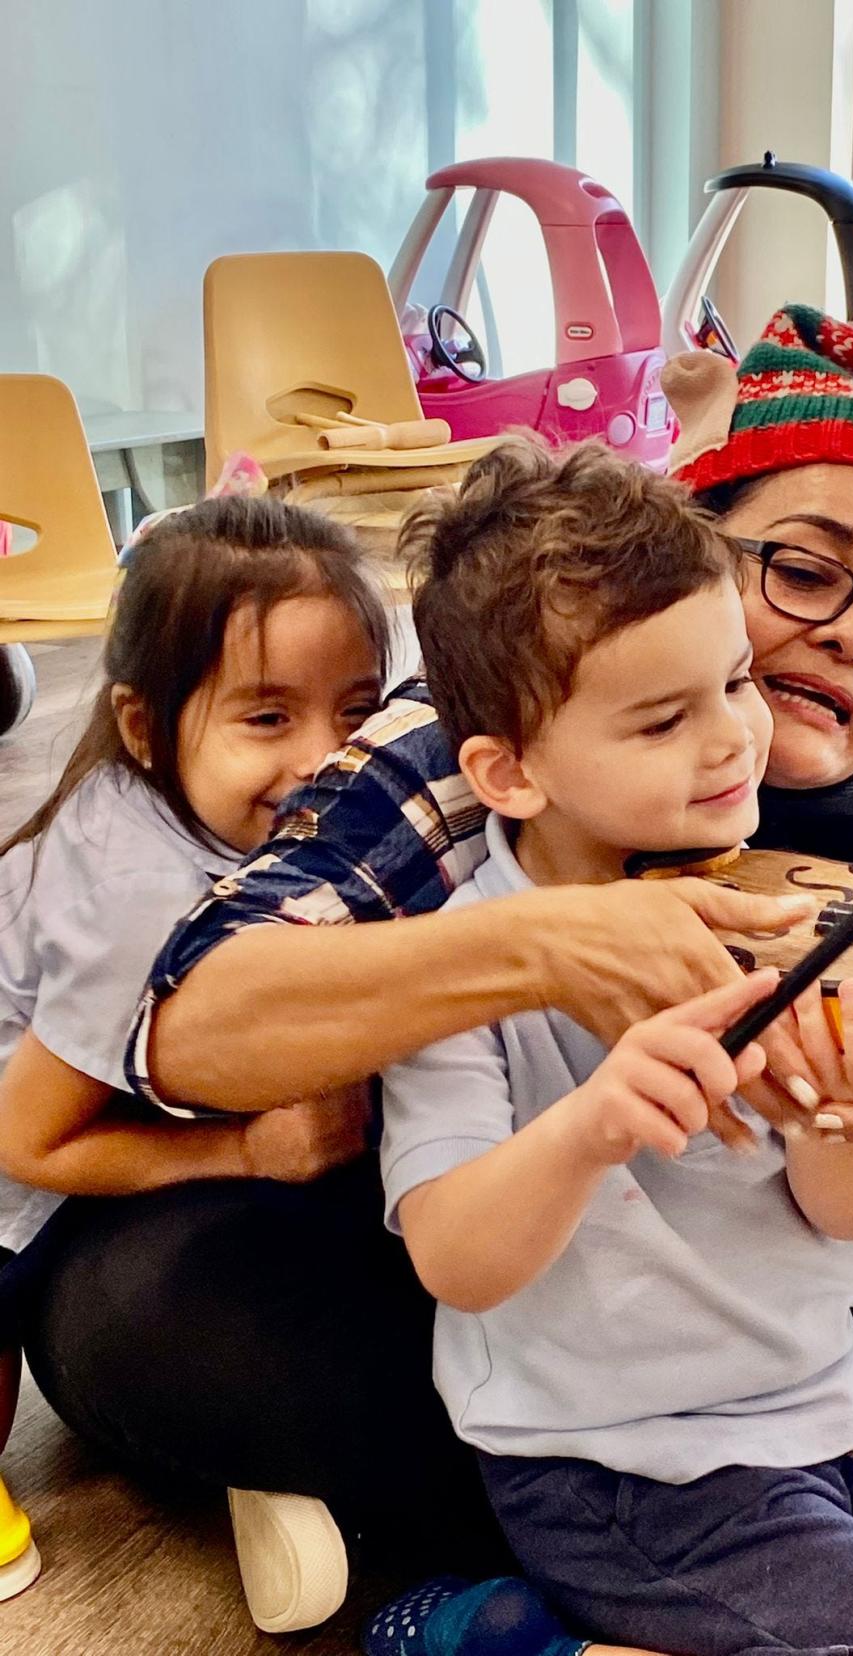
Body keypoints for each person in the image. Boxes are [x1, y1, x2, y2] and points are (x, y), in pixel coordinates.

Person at [15, 307, 853, 1624]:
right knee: (205, 1318)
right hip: (425, 1268)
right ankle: (517, 1586)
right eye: (808, 572)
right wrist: (544, 949)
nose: (847, 637)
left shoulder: (799, 760)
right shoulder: (482, 733)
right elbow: (195, 1024)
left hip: (736, 1330)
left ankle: (800, 1493)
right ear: (705, 538)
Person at [374, 434, 853, 1656]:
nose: (733, 739)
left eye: (736, 683)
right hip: (625, 1467)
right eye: (662, 720)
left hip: (822, 1393)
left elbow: (841, 1217)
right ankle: (524, 1639)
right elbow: (455, 1261)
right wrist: (594, 1125)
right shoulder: (470, 956)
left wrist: (846, 1115)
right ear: (510, 771)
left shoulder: (785, 912)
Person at [0, 495, 388, 1626]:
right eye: (267, 719)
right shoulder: (137, 900)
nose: (326, 759)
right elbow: (29, 1140)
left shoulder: (262, 829)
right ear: (144, 725)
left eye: (355, 712)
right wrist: (240, 1149)